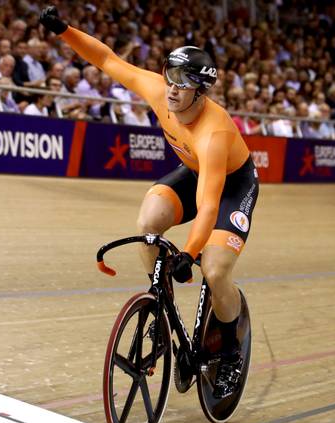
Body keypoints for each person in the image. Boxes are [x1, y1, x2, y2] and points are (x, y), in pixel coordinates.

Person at [40, 6, 258, 399]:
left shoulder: (214, 133)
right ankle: (161, 308)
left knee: (215, 268)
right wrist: (63, 30)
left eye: (182, 83)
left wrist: (189, 254)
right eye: (169, 77)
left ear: (200, 91)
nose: (171, 88)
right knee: (148, 225)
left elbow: (208, 206)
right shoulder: (159, 90)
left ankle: (230, 354)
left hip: (231, 186)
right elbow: (107, 59)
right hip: (192, 172)